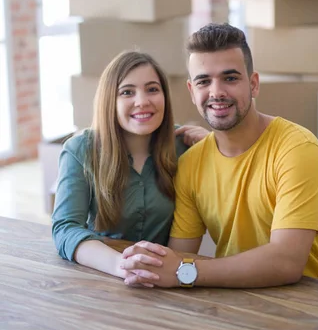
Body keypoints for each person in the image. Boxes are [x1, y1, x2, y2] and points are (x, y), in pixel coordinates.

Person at [120, 23, 318, 289]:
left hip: (310, 308)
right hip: (234, 304)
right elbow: (181, 254)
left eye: (230, 78)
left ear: (254, 84)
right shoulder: (191, 163)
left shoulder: (296, 148)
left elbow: (286, 262)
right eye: (204, 81)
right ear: (192, 91)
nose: (216, 92)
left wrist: (184, 272)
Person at [52, 50, 206, 281]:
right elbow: (65, 228)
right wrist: (121, 265)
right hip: (101, 274)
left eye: (153, 89)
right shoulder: (79, 150)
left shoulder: (186, 147)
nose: (142, 101)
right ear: (109, 101)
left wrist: (214, 147)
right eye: (127, 92)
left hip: (166, 277)